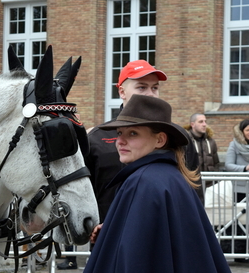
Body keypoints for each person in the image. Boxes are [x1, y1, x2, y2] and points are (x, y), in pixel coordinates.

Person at [71, 94, 242, 273]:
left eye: (133, 133)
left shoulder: (142, 181)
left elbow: (136, 263)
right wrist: (114, 230)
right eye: (119, 133)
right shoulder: (170, 176)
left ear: (160, 140)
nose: (120, 141)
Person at [85, 60, 203, 225]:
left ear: (161, 139)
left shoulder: (178, 137)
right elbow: (83, 195)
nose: (150, 94)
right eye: (141, 87)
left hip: (164, 234)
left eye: (155, 88)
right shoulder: (97, 138)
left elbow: (193, 190)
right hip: (110, 235)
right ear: (122, 92)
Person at [225, 119, 249, 202]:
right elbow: (228, 165)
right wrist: (245, 168)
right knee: (240, 213)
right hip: (240, 188)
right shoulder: (234, 145)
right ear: (241, 132)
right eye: (247, 130)